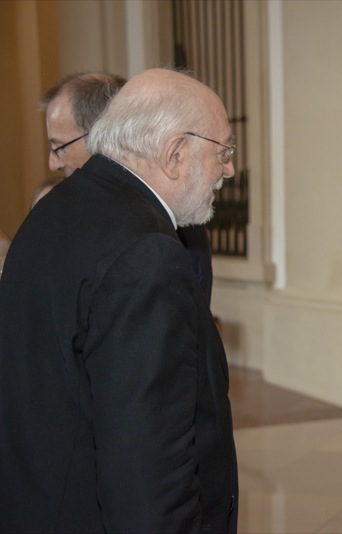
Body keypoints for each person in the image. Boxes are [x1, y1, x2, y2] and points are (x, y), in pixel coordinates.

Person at [0, 68, 238, 532]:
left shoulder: (51, 213)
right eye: (223, 151)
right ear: (175, 153)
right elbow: (147, 472)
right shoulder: (146, 253)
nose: (228, 169)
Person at [40, 71, 215, 302]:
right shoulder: (81, 210)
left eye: (59, 147)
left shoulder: (166, 215)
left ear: (100, 134)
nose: (53, 163)